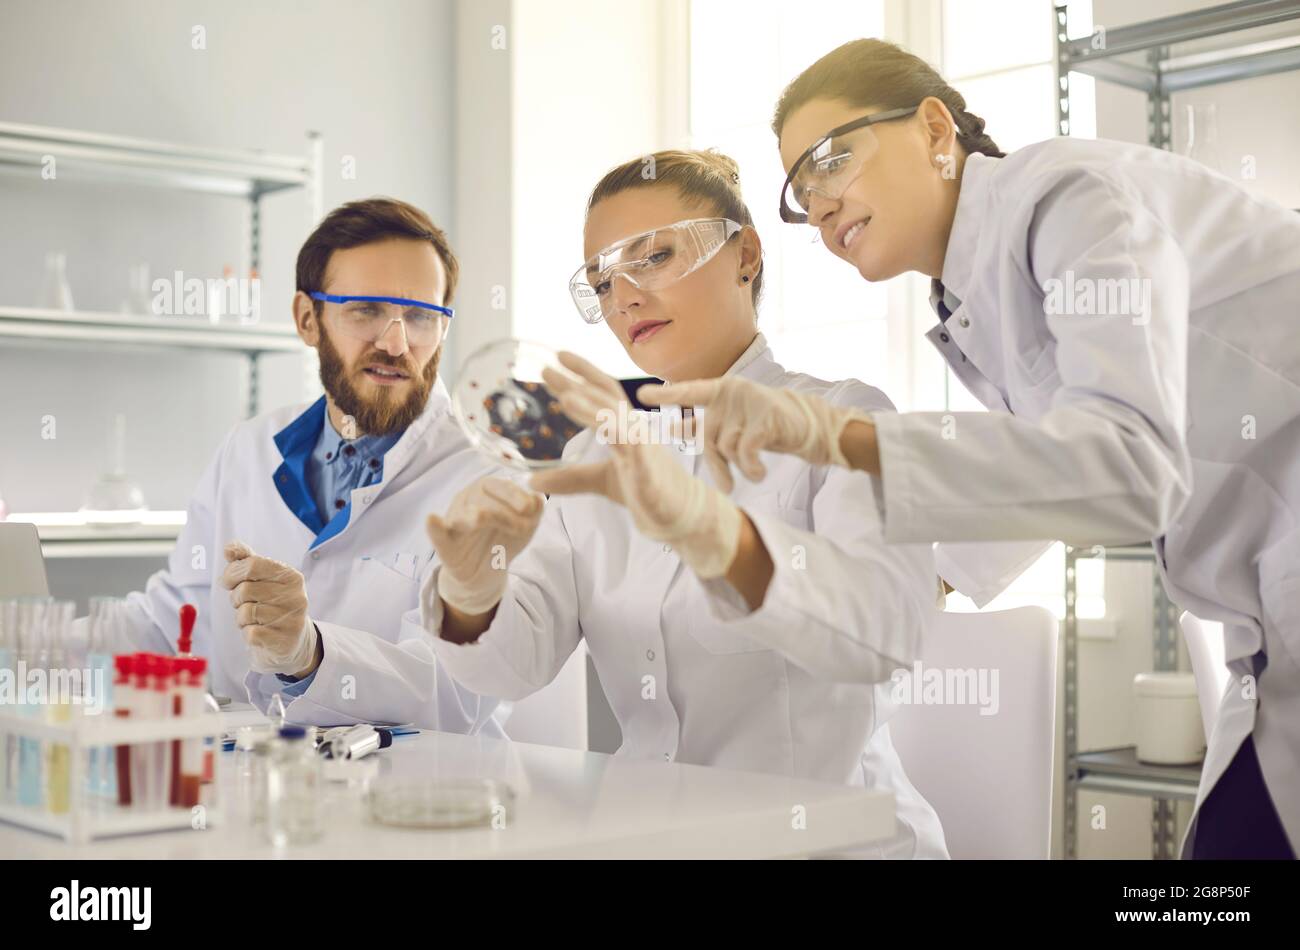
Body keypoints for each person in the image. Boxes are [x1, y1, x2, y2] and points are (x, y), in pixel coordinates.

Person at [640, 39, 1300, 859]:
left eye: (831, 160)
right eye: (800, 192)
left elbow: (1130, 466)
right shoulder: (976, 286)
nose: (818, 205)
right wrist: (910, 579)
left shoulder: (1068, 198)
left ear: (932, 127)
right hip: (1267, 626)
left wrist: (837, 439)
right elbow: (1059, 456)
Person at [419, 149, 948, 858]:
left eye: (655, 256)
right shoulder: (591, 458)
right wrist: (471, 589)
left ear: (747, 254)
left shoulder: (844, 420)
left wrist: (709, 529)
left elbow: (882, 635)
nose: (625, 297)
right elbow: (515, 667)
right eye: (603, 282)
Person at [107, 197, 505, 734]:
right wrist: (37, 645)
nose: (396, 343)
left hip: (417, 800)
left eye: (420, 317)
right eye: (365, 310)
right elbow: (173, 621)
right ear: (307, 318)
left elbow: (461, 690)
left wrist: (310, 653)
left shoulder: (487, 477)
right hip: (260, 790)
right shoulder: (249, 449)